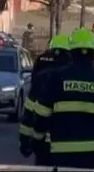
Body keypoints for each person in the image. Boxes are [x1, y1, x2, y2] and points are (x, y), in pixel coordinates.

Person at [30, 27, 94, 169]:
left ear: (71, 53)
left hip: (60, 158)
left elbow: (41, 116)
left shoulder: (55, 78)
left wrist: (38, 143)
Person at [19, 33, 72, 164]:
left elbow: (30, 110)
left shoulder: (42, 70)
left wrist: (25, 141)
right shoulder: (74, 72)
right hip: (71, 141)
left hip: (43, 140)